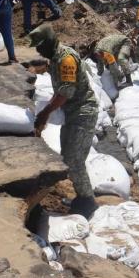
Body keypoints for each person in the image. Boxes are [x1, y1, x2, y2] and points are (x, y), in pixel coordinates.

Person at [29, 24, 98, 219]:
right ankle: (81, 197)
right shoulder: (55, 58)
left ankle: (88, 201)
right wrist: (34, 69)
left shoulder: (66, 59)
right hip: (73, 113)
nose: (38, 50)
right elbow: (50, 69)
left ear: (50, 42)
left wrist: (45, 113)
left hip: (84, 113)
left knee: (75, 160)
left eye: (40, 46)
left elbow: (66, 92)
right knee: (68, 157)